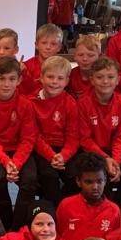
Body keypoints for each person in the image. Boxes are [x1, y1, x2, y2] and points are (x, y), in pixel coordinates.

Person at [0, 56, 37, 231]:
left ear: (19, 80)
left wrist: (15, 163)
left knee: (30, 180)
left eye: (12, 79)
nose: (6, 84)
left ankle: (16, 228)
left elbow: (28, 139)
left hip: (18, 150)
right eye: (1, 78)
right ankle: (9, 224)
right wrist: (6, 161)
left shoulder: (25, 104)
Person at [56, 152, 121, 240]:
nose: (95, 187)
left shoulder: (114, 210)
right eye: (89, 182)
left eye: (99, 181)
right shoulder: (66, 206)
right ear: (78, 181)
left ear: (105, 180)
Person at [78, 56, 121, 202]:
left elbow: (119, 136)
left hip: (115, 152)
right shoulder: (83, 103)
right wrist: (106, 159)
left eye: (110, 77)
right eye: (100, 77)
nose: (105, 81)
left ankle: (117, 211)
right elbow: (85, 139)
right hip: (91, 152)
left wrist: (115, 161)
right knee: (101, 176)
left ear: (118, 79)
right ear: (92, 79)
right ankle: (99, 209)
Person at [31, 55, 79, 204]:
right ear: (41, 77)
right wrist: (51, 156)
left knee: (76, 177)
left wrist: (63, 156)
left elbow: (73, 137)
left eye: (60, 78)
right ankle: (53, 210)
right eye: (50, 77)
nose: (54, 82)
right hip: (41, 149)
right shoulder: (31, 102)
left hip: (64, 149)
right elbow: (34, 136)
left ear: (66, 81)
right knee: (48, 176)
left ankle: (64, 207)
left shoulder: (70, 103)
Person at [20, 23, 64, 97]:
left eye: (53, 44)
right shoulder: (25, 67)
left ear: (59, 47)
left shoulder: (63, 68)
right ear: (36, 45)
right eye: (44, 43)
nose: (48, 47)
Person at [65, 34, 100, 101]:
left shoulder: (104, 77)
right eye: (80, 55)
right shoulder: (69, 75)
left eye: (90, 55)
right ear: (75, 56)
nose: (85, 59)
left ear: (99, 56)